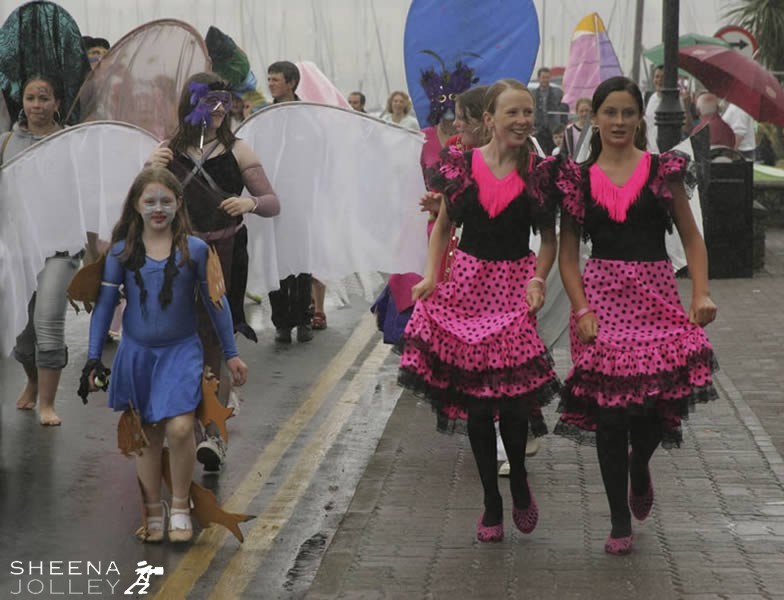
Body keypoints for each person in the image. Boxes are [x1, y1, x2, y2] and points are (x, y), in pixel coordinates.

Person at [550, 76, 717, 555]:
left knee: (650, 411)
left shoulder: (662, 170)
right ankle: (618, 519)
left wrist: (700, 294)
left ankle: (640, 465)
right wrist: (580, 308)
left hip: (657, 301)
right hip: (601, 304)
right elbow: (566, 255)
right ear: (594, 118)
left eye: (627, 113)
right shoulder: (576, 178)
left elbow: (692, 238)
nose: (619, 121)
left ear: (639, 117)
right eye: (610, 113)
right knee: (611, 415)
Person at [399, 79, 560, 543]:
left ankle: (521, 483)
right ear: (489, 118)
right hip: (466, 288)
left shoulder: (540, 172)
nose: (523, 120)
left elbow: (547, 239)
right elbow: (443, 225)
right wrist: (430, 275)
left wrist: (537, 279)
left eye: (528, 112)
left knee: (511, 402)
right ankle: (491, 500)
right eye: (512, 112)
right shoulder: (462, 165)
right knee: (476, 405)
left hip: (512, 290)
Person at [82, 167, 249, 543]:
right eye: (150, 201)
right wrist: (93, 358)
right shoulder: (122, 253)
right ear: (136, 206)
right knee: (149, 434)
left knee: (180, 427)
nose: (158, 209)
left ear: (178, 204)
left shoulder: (195, 249)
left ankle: (178, 505)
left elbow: (217, 307)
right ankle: (152, 509)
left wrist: (232, 354)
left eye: (166, 201)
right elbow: (105, 306)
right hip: (137, 355)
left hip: (180, 353)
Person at [146, 72, 279, 470]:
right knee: (172, 338)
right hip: (176, 256)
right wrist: (149, 167)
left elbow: (272, 201)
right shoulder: (167, 151)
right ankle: (177, 421)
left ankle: (215, 437)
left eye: (225, 100)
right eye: (211, 100)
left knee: (215, 342)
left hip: (224, 254)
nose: (220, 108)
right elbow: (145, 201)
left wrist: (250, 205)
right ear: (192, 104)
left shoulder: (238, 150)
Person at [3, 75, 77, 426]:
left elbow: (88, 196)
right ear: (23, 102)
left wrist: (98, 251)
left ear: (57, 103)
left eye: (44, 98)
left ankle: (47, 403)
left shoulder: (73, 143)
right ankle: (32, 382)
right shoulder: (5, 144)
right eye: (31, 98)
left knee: (47, 320)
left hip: (59, 247)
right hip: (17, 249)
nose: (37, 105)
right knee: (23, 330)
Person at [266, 60, 314, 343]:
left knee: (301, 262)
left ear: (291, 83)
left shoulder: (307, 115)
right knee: (277, 262)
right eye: (269, 79)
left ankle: (304, 318)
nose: (271, 83)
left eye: (276, 79)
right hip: (272, 200)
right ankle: (281, 321)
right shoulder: (265, 115)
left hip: (300, 202)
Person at [533, 67, 565, 153]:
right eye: (543, 77)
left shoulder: (557, 92)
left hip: (553, 130)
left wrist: (561, 125)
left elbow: (563, 110)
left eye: (547, 77)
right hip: (539, 130)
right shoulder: (533, 94)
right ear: (538, 78)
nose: (545, 80)